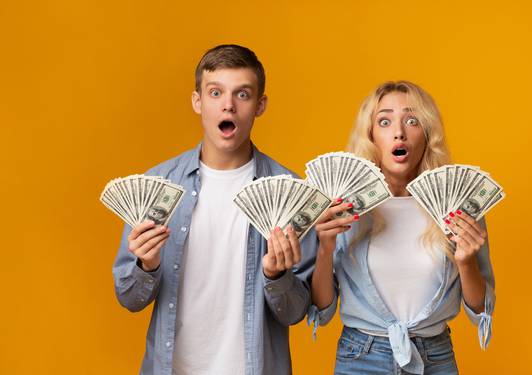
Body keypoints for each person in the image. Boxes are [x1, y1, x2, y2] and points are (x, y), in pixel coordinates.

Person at [112, 44, 317, 375]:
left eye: (242, 95)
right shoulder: (158, 183)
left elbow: (295, 312)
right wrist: (146, 265)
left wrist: (276, 276)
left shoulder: (291, 192)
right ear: (198, 102)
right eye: (216, 92)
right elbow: (129, 298)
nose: (228, 106)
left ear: (260, 105)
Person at [308, 81, 496, 374]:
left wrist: (466, 261)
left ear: (427, 133)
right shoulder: (344, 206)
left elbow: (480, 310)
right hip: (361, 358)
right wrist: (324, 248)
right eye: (385, 121)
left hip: (435, 357)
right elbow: (323, 308)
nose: (399, 132)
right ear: (371, 135)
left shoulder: (456, 204)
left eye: (412, 120)